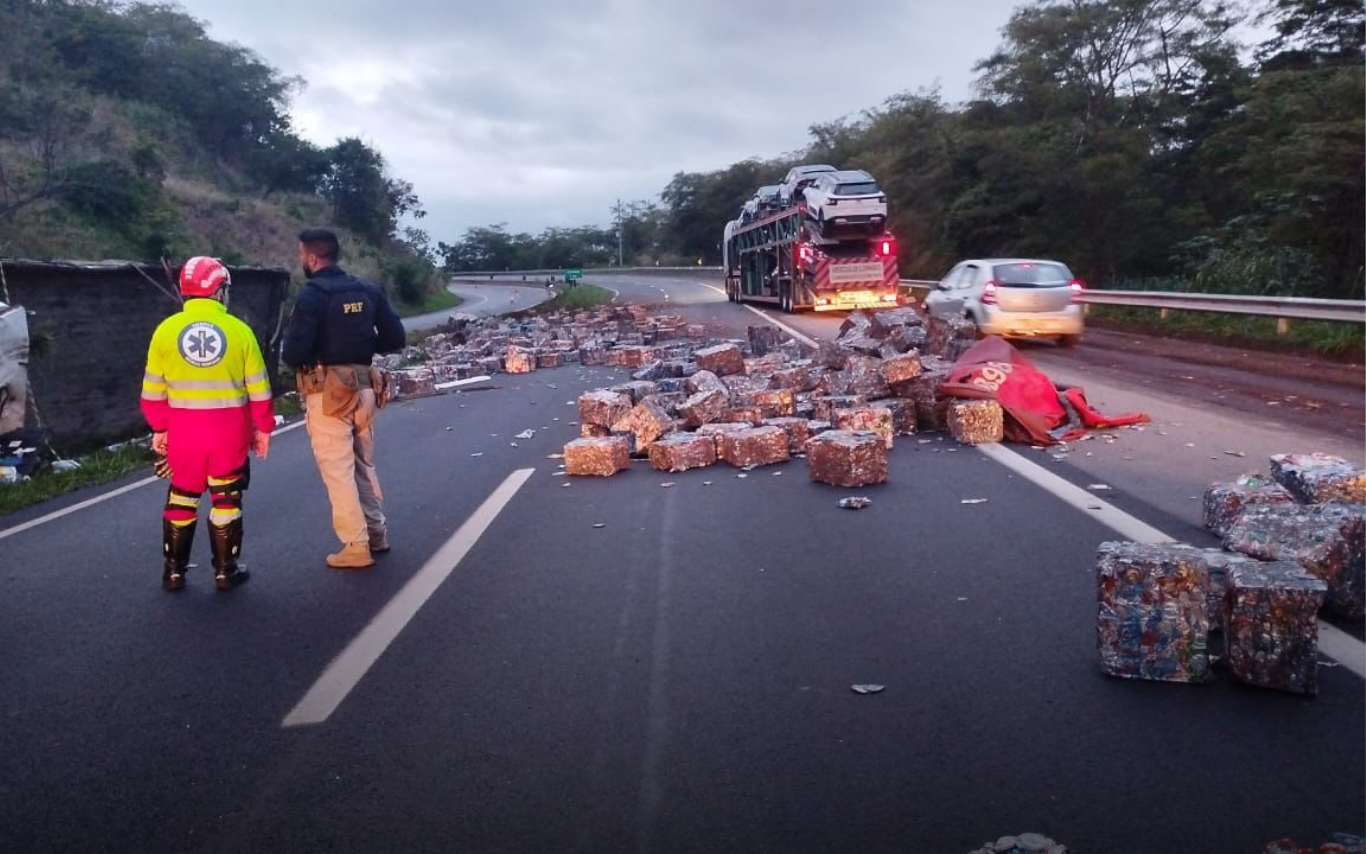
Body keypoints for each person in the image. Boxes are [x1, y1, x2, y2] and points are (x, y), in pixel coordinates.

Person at [140, 257, 273, 591]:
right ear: (218, 290)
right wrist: (264, 429)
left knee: (181, 498)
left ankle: (173, 572)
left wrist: (159, 428)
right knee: (226, 499)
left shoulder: (165, 331)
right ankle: (226, 571)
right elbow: (259, 388)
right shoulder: (240, 331)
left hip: (183, 436)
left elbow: (152, 391)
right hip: (229, 435)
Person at [282, 227, 405, 569]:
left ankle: (355, 545)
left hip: (329, 394)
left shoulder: (311, 295)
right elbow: (395, 337)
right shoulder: (367, 289)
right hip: (367, 387)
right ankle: (377, 533)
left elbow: (293, 353)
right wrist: (363, 346)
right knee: (363, 464)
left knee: (338, 469)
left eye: (301, 255)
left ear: (311, 257)